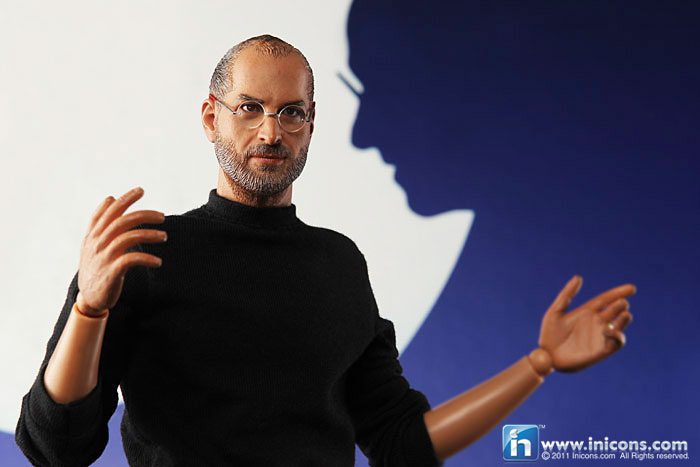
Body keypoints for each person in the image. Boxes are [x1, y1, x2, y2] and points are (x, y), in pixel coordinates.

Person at [15, 35, 634, 466]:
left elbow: (401, 443)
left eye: (291, 113)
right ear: (210, 117)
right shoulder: (145, 255)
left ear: (311, 123)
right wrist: (89, 309)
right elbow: (55, 447)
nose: (270, 131)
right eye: (249, 108)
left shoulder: (339, 265)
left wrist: (538, 363)